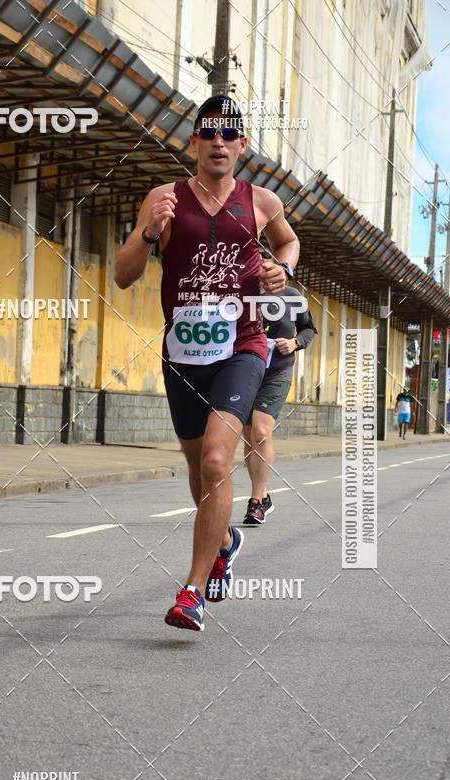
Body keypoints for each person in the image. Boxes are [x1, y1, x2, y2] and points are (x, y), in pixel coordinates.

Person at [114, 95, 300, 632]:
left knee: (219, 461)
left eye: (229, 134)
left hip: (244, 346)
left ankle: (191, 592)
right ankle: (223, 543)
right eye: (208, 133)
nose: (218, 142)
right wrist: (150, 232)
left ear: (242, 145)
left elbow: (289, 243)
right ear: (193, 142)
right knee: (199, 469)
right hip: (184, 355)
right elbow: (124, 275)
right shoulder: (165, 198)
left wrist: (279, 269)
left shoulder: (262, 202)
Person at [243, 286, 317, 525]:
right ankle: (263, 496)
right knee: (248, 436)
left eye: (269, 262)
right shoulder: (242, 290)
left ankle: (255, 502)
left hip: (277, 372)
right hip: (245, 370)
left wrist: (295, 342)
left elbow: (308, 329)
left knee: (261, 433)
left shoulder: (292, 296)